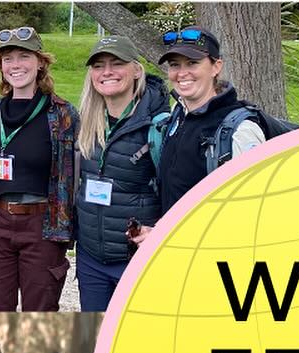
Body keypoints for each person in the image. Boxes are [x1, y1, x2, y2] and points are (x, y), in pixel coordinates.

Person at [0, 26, 76, 312]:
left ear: (40, 63)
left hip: (42, 226)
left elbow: (75, 173)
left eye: (24, 56)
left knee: (40, 313)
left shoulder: (61, 113)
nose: (15, 65)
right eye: (7, 59)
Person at [73, 36, 169, 310]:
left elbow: (177, 192)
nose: (107, 72)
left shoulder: (158, 125)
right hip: (91, 258)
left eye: (117, 63)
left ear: (137, 70)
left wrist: (160, 231)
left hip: (135, 258)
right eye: (99, 66)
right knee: (95, 344)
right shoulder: (85, 121)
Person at [153, 26, 267, 216]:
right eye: (174, 65)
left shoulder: (240, 131)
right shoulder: (178, 113)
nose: (181, 73)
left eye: (192, 63)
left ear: (216, 67)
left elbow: (251, 212)